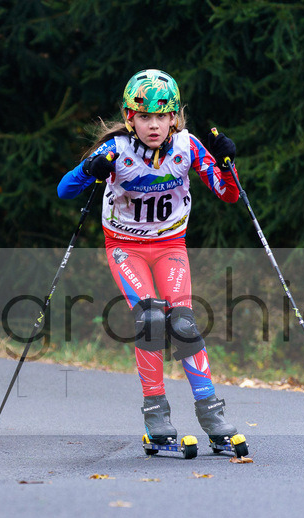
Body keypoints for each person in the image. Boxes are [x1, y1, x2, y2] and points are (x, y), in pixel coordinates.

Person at [57, 68, 244, 450]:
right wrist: (88, 169)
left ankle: (212, 415)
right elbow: (64, 190)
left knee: (185, 323)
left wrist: (227, 163)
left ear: (174, 117)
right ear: (130, 118)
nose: (154, 125)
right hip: (125, 247)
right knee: (151, 317)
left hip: (171, 247)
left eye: (162, 116)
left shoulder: (188, 147)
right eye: (144, 117)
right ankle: (156, 418)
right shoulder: (115, 150)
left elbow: (230, 194)